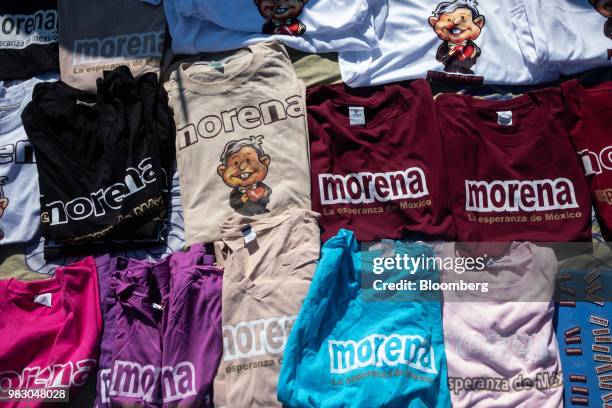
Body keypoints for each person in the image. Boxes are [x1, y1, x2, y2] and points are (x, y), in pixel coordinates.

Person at [429, 0, 486, 75]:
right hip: (445, 72)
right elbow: (439, 58)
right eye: (448, 19)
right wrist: (449, 53)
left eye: (463, 18)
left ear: (478, 23)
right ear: (434, 22)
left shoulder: (471, 46)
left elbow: (477, 52)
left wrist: (474, 52)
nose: (455, 22)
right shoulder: (444, 47)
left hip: (467, 72)